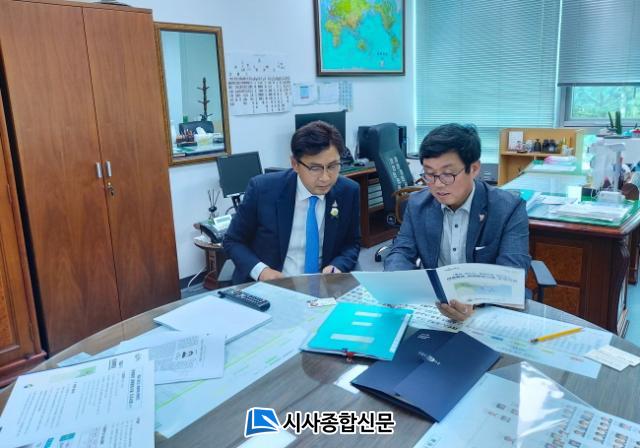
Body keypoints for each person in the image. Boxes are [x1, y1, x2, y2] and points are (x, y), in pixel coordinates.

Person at [384, 123, 530, 321]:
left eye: (447, 174)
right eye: (429, 174)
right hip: (435, 308)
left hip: (489, 309)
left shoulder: (508, 208)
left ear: (474, 169)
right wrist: (393, 281)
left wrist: (473, 301)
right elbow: (402, 250)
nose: (437, 185)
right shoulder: (418, 204)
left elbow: (512, 272)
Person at [224, 121, 361, 285]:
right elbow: (233, 241)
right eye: (315, 168)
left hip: (324, 287)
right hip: (270, 286)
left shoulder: (348, 191)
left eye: (333, 166)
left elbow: (352, 243)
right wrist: (262, 271)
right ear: (295, 164)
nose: (325, 178)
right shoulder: (262, 189)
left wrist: (338, 266)